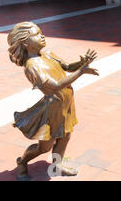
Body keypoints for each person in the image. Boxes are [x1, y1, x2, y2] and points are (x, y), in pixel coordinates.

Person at [7, 22, 98, 180]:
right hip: (52, 109)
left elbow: (67, 66)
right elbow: (54, 87)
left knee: (66, 136)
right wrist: (81, 72)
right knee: (45, 147)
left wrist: (81, 63)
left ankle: (57, 165)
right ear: (25, 42)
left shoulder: (47, 53)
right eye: (36, 34)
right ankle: (22, 162)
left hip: (66, 103)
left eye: (41, 32)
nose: (42, 35)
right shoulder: (32, 66)